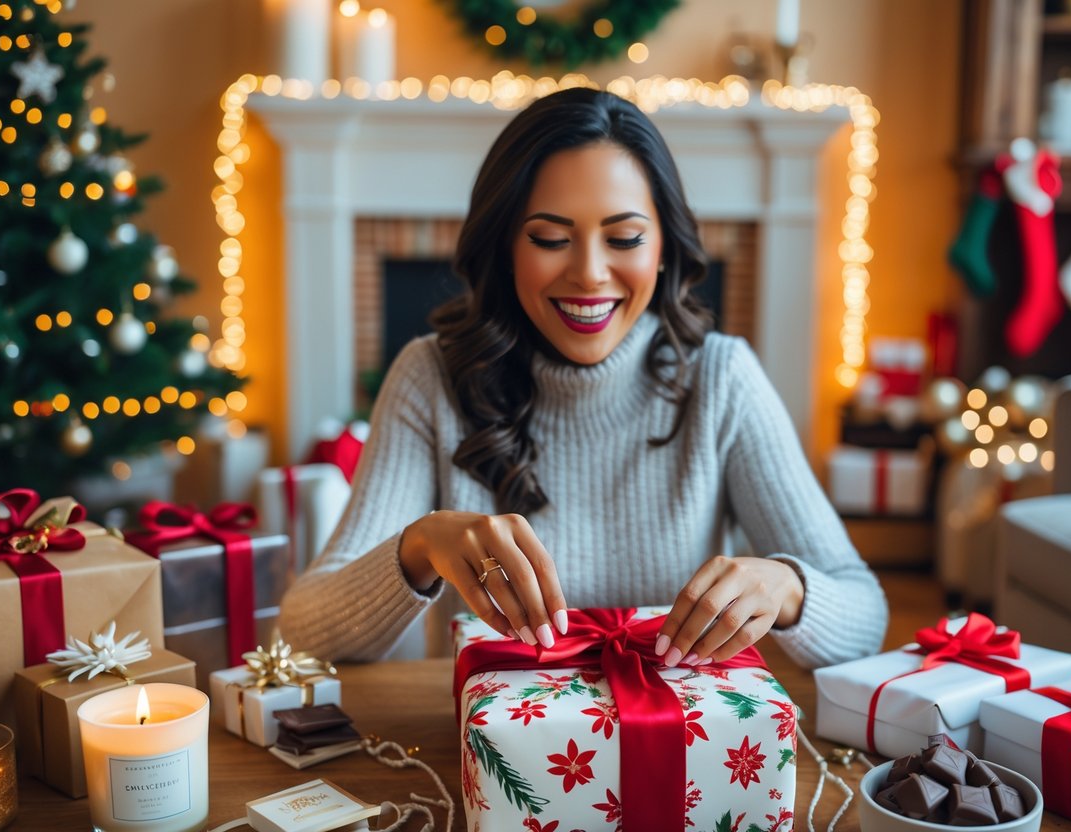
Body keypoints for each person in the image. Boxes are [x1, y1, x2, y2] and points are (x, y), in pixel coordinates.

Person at [278, 88, 887, 669]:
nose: (591, 274)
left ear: (664, 249)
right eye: (550, 238)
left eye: (624, 238)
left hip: (679, 754)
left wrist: (786, 586)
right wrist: (421, 545)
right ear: (506, 246)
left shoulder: (721, 377)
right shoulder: (430, 375)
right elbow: (305, 630)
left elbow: (865, 614)